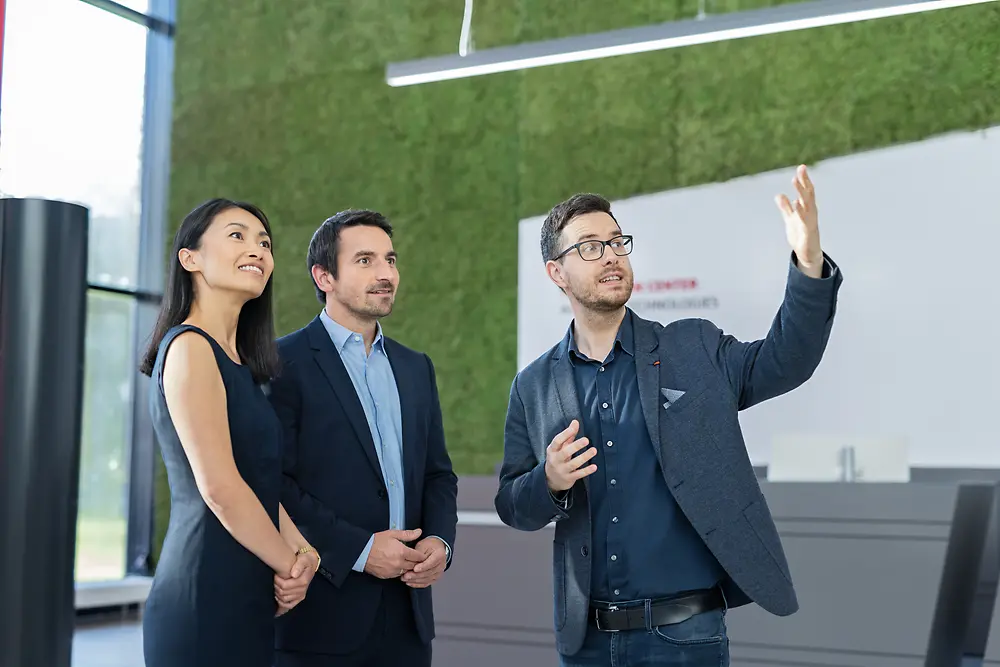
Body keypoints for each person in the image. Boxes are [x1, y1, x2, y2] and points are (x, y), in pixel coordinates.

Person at [495, 165, 843, 667]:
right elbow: (512, 504)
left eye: (617, 242)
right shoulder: (534, 385)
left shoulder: (692, 346)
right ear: (556, 272)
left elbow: (786, 360)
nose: (611, 255)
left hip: (687, 637)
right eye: (590, 247)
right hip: (586, 644)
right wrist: (548, 480)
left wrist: (808, 263)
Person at [268, 209, 459, 667]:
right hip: (319, 617)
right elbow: (271, 482)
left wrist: (440, 542)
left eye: (390, 260)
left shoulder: (416, 368)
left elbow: (438, 474)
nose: (385, 274)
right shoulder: (280, 363)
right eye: (366, 260)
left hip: (409, 620)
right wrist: (359, 550)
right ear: (324, 276)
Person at [139, 199, 320, 667]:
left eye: (265, 242)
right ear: (190, 258)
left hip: (249, 589)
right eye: (237, 235)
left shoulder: (242, 367)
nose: (257, 249)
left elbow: (256, 481)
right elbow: (220, 487)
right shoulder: (189, 347)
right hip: (203, 591)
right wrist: (288, 564)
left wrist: (303, 553)